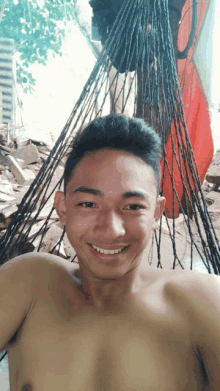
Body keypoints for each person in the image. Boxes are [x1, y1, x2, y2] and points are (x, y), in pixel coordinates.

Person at [0, 114, 220, 391]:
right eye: (89, 204)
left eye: (132, 207)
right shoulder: (29, 282)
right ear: (63, 208)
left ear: (156, 212)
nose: (111, 230)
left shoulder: (200, 301)